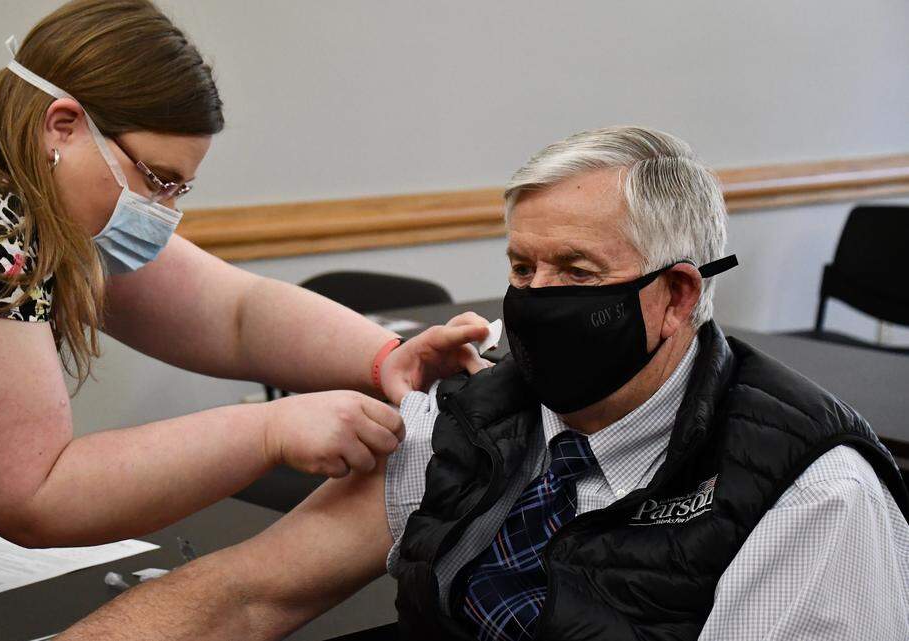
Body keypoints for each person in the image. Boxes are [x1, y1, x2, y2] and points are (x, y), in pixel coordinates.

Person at [0, 1, 492, 636]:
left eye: (182, 186)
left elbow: (232, 312)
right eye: (158, 179)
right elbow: (35, 490)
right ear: (64, 122)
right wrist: (271, 428)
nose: (166, 210)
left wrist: (381, 357)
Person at [59, 126, 909, 641]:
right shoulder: (469, 420)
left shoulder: (810, 498)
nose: (534, 301)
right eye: (520, 265)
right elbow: (240, 598)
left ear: (677, 295)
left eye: (575, 270)